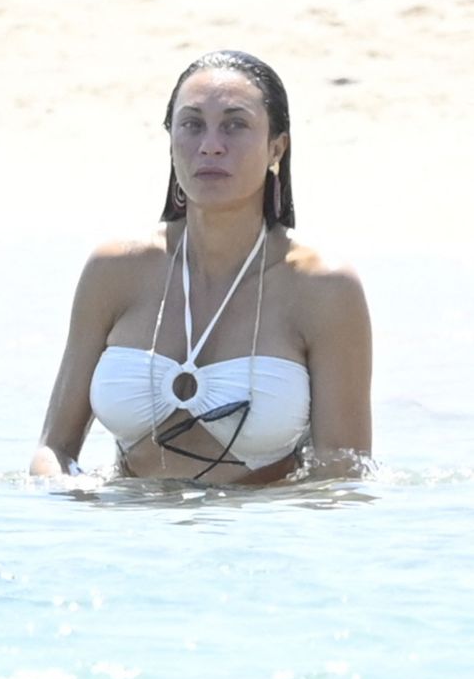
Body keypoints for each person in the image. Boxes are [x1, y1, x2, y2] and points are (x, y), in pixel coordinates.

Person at [30, 50, 372, 485]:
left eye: (235, 124)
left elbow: (342, 476)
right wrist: (68, 504)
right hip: (127, 530)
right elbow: (53, 450)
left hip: (261, 533)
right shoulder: (115, 271)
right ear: (171, 140)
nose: (211, 144)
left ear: (276, 148)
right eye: (192, 124)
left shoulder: (322, 287)